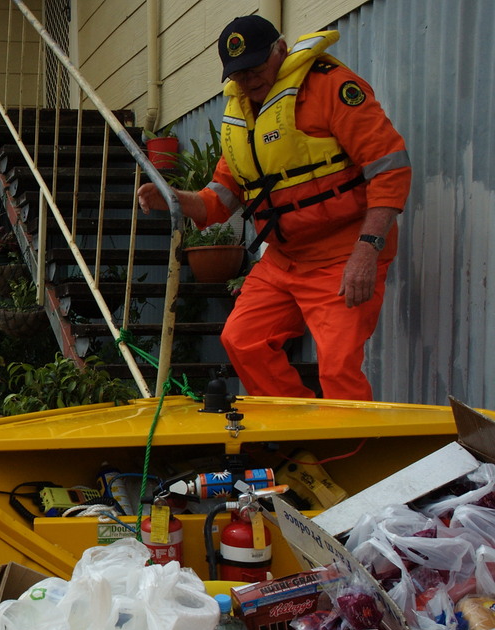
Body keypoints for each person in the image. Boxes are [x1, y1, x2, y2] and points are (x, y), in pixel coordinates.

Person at [137, 15, 411, 401]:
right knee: (242, 340)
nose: (248, 81)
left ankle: (349, 456)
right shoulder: (242, 116)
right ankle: (296, 440)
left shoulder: (331, 87)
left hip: (343, 252)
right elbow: (219, 199)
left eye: (254, 68)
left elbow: (390, 167)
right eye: (238, 75)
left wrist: (367, 249)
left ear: (280, 50)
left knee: (337, 368)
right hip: (283, 259)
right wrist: (175, 198)